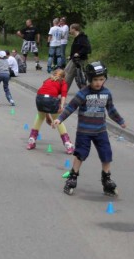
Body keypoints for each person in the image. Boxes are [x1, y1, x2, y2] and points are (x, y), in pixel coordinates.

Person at [53, 61, 126, 196]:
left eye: (101, 79)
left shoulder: (106, 93)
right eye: (95, 80)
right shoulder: (84, 93)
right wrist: (60, 118)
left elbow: (111, 109)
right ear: (89, 79)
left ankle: (106, 178)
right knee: (80, 154)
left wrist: (120, 121)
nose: (98, 83)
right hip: (84, 131)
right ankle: (73, 177)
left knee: (106, 154)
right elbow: (71, 107)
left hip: (100, 131)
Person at [26, 68, 74, 153]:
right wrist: (61, 106)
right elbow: (63, 95)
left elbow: (45, 95)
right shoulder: (63, 82)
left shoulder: (48, 79)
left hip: (40, 98)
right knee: (58, 120)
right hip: (51, 100)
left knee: (40, 117)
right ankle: (68, 144)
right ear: (64, 77)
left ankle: (31, 140)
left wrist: (47, 115)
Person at [64, 23, 91, 89]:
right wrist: (71, 56)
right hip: (74, 59)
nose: (69, 31)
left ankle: (64, 90)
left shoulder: (82, 37)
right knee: (66, 71)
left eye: (70, 29)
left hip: (79, 59)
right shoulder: (77, 38)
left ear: (74, 29)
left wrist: (79, 53)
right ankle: (84, 89)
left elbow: (87, 48)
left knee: (69, 74)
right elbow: (76, 49)